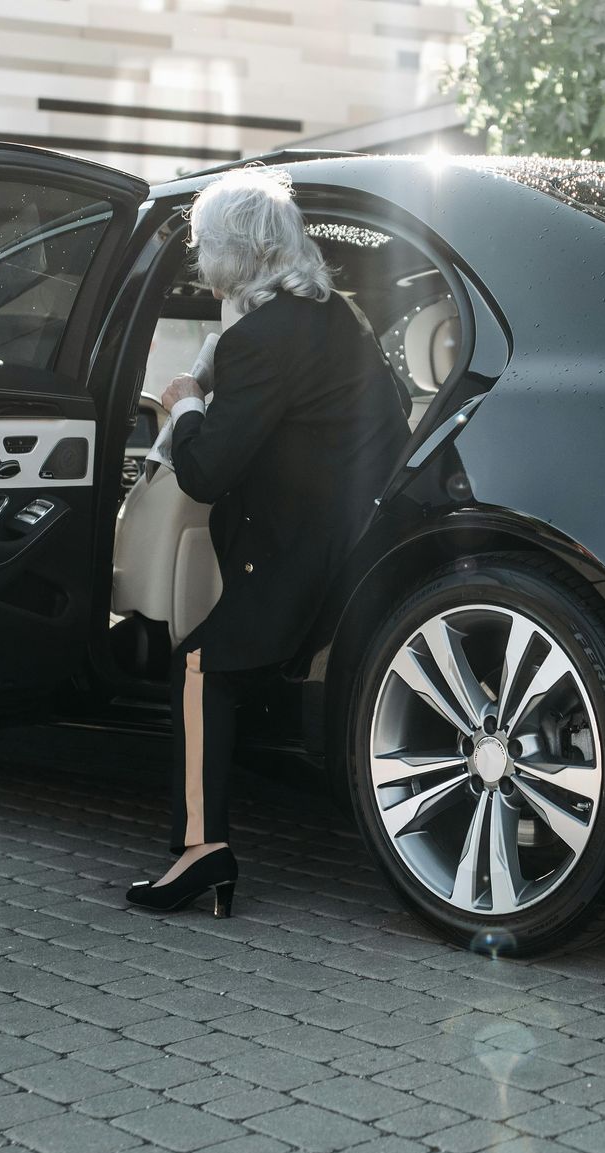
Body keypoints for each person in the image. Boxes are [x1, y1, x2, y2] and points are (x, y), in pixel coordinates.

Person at [127, 168, 412, 916]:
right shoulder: (336, 316)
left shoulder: (257, 340)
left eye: (205, 246)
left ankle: (202, 848)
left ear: (230, 254)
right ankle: (206, 842)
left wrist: (183, 407)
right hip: (361, 537)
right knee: (214, 657)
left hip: (302, 552)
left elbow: (208, 472)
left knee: (197, 665)